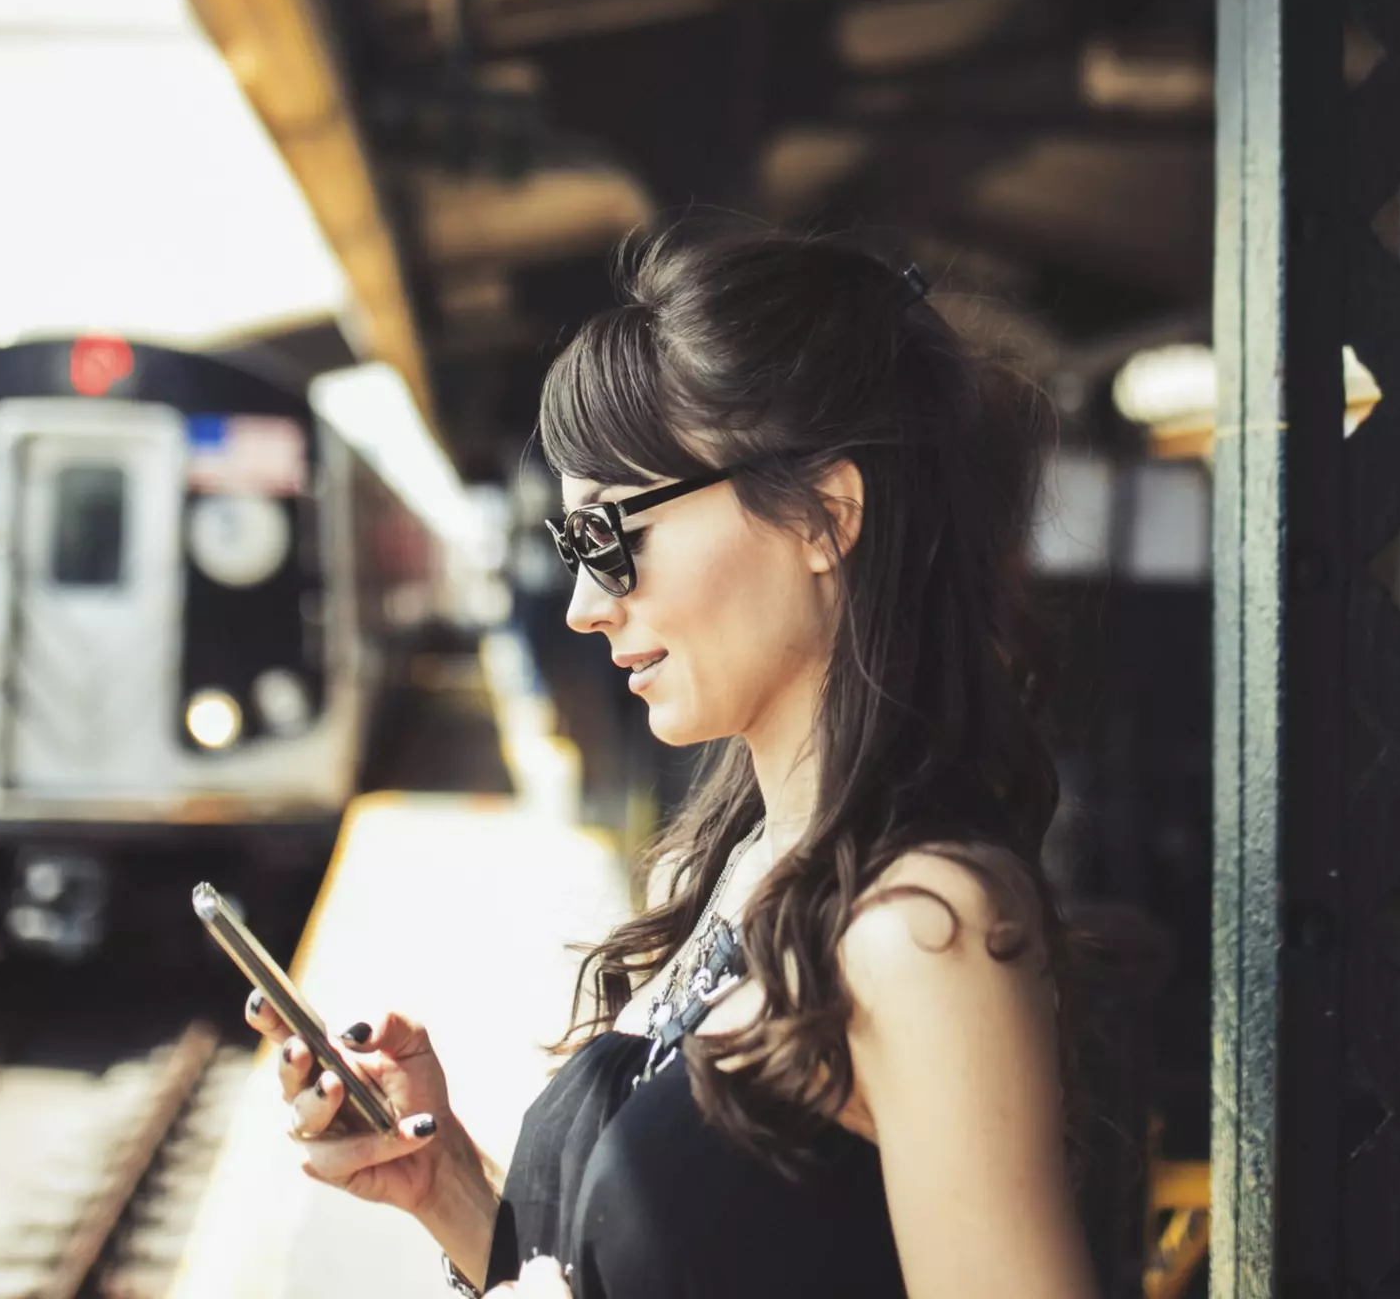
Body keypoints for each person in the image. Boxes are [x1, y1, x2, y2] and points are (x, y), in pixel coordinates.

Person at [245, 220, 1101, 1299]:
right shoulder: (741, 861)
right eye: (571, 549)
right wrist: (443, 1179)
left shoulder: (923, 932)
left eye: (611, 537)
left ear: (823, 517)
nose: (583, 606)